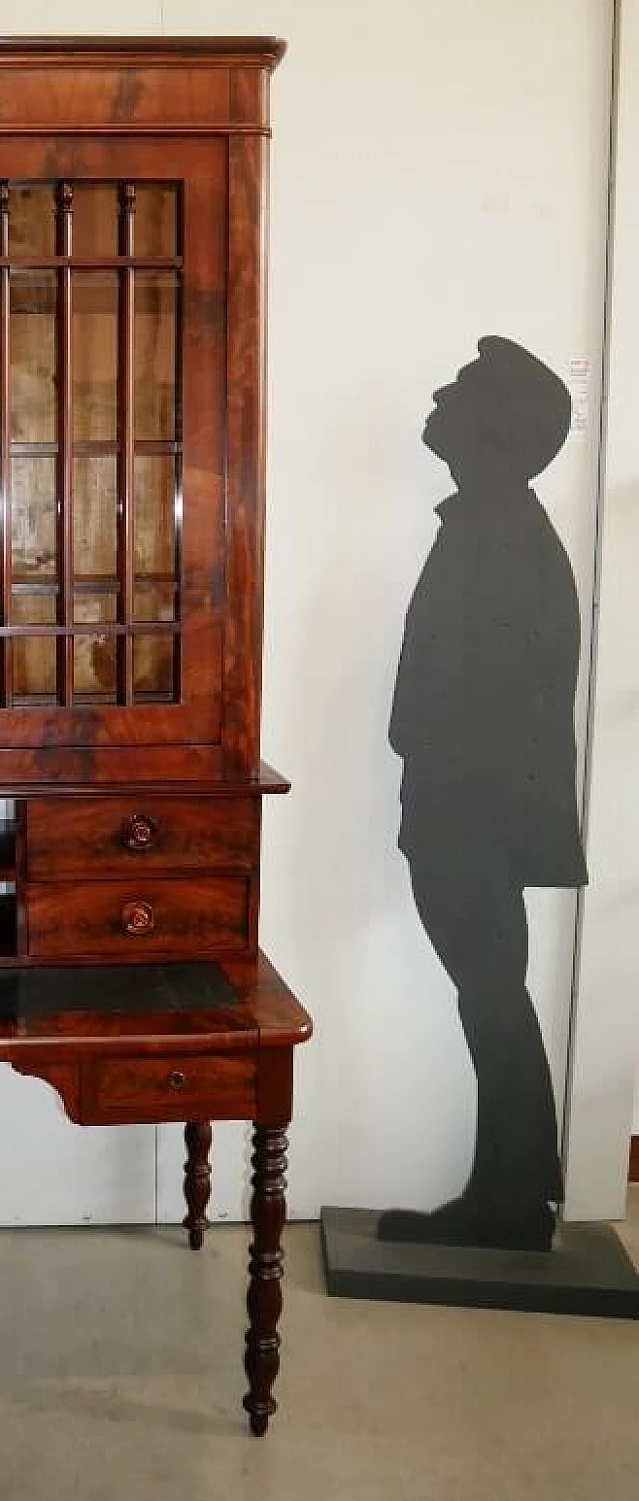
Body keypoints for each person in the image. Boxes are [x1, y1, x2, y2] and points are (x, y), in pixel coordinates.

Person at [377, 336, 587, 1252]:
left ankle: (511, 1197)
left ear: (495, 430)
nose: (439, 394)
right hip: (470, 807)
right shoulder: (490, 526)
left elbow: (490, 697)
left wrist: (433, 769)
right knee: (493, 991)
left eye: (461, 390)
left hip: (474, 813)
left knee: (491, 992)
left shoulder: (500, 536)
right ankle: (519, 1181)